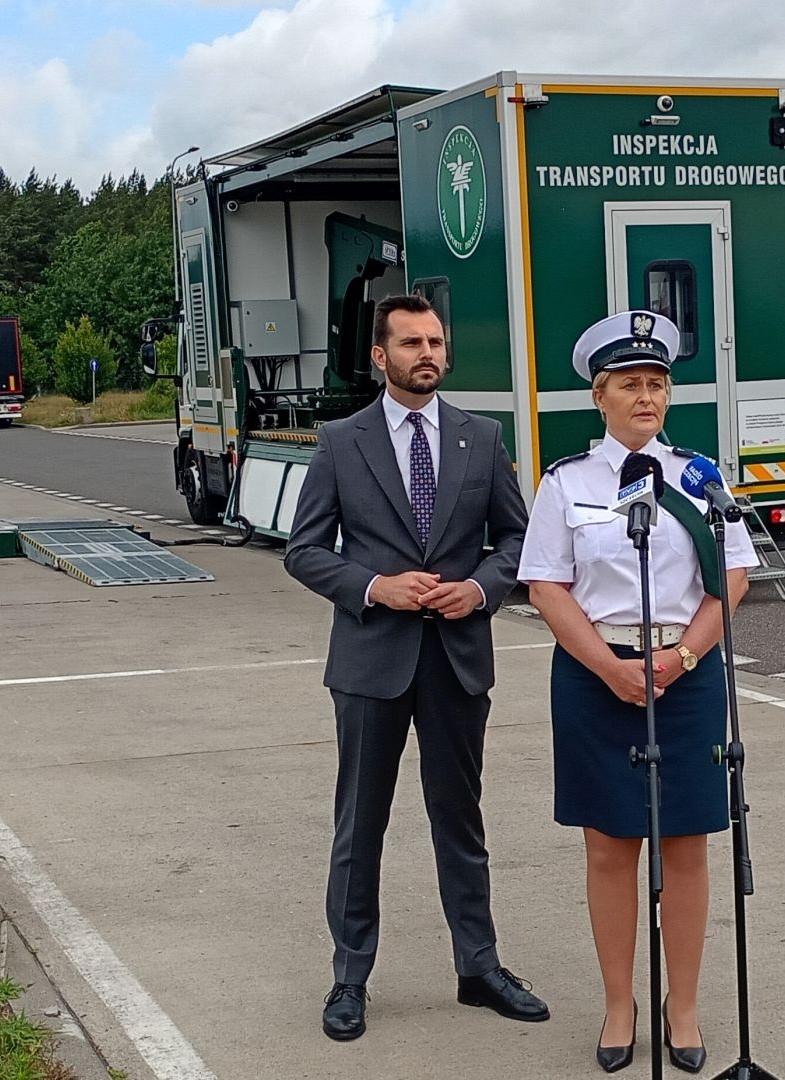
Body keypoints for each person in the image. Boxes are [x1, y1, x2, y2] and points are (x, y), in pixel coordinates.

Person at [285, 294, 547, 1042]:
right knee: (359, 824)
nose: (426, 353)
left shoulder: (480, 437)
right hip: (371, 661)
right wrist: (376, 587)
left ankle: (479, 967)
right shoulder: (342, 442)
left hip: (457, 661)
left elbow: (517, 539)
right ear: (380, 356)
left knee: (460, 819)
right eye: (410, 342)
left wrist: (480, 589)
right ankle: (350, 977)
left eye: (434, 341)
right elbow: (304, 551)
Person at [517, 310, 757, 1073]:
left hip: (685, 674)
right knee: (609, 846)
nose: (646, 396)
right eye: (629, 384)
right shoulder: (566, 482)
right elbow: (546, 586)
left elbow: (733, 576)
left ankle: (681, 1007)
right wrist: (609, 667)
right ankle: (619, 1003)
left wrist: (681, 657)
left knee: (686, 844)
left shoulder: (698, 476)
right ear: (599, 396)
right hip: (596, 676)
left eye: (656, 383)